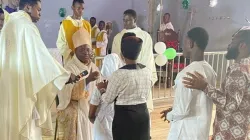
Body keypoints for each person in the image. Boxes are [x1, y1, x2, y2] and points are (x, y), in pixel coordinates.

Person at [0, 0, 78, 139]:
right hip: (23, 84)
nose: (40, 14)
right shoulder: (27, 26)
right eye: (39, 9)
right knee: (25, 122)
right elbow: (41, 57)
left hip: (6, 83)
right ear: (28, 7)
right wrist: (65, 76)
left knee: (9, 120)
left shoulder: (9, 23)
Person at [183, 28, 250, 139]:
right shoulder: (246, 67)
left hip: (229, 133)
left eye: (232, 42)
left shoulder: (238, 70)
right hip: (240, 131)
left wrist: (205, 86)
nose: (228, 46)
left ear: (242, 46)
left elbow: (230, 104)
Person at [160, 27, 217, 139]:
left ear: (190, 43)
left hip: (185, 132)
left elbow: (182, 110)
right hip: (201, 131)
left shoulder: (186, 73)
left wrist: (169, 115)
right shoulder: (210, 70)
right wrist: (174, 108)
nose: (182, 47)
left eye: (184, 43)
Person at [102, 33, 153, 140]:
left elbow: (107, 99)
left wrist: (102, 90)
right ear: (139, 52)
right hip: (143, 114)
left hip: (125, 118)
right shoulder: (147, 71)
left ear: (122, 53)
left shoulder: (119, 74)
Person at [111, 9, 157, 117]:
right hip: (124, 78)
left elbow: (148, 59)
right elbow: (115, 58)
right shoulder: (118, 37)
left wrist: (142, 74)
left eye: (128, 20)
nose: (125, 23)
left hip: (141, 77)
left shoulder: (145, 36)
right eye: (124, 20)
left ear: (135, 19)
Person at [57, 28, 100, 140]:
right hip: (76, 105)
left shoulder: (93, 67)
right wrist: (87, 80)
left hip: (91, 104)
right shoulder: (70, 67)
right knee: (76, 116)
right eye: (82, 50)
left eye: (88, 50)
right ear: (75, 51)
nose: (86, 53)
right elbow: (70, 93)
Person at [89, 53, 123, 140]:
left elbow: (91, 115)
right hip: (118, 124)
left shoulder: (100, 87)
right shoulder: (123, 86)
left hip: (101, 124)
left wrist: (99, 121)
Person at [56, 0, 91, 65]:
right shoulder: (65, 24)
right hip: (70, 61)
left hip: (84, 63)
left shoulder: (87, 25)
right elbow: (60, 43)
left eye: (82, 8)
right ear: (72, 7)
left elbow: (89, 44)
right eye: (78, 8)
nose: (81, 11)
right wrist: (71, 53)